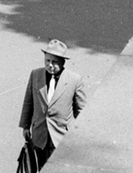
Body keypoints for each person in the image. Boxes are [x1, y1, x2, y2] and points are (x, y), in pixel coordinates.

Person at [19, 39, 87, 170]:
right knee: (42, 167)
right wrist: (25, 126)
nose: (50, 65)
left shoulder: (74, 79)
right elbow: (28, 102)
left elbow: (82, 110)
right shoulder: (35, 75)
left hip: (61, 136)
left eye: (55, 62)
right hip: (40, 135)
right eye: (48, 61)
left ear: (63, 62)